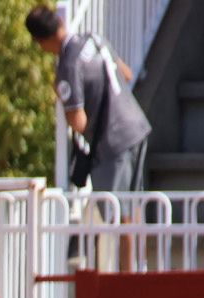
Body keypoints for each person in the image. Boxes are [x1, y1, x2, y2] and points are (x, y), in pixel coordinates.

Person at [25, 5, 152, 267]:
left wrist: (61, 95)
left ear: (43, 41)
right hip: (137, 126)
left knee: (118, 215)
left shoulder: (69, 65)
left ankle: (128, 286)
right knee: (134, 208)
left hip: (114, 140)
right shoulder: (94, 39)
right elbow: (126, 74)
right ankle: (140, 276)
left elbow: (79, 121)